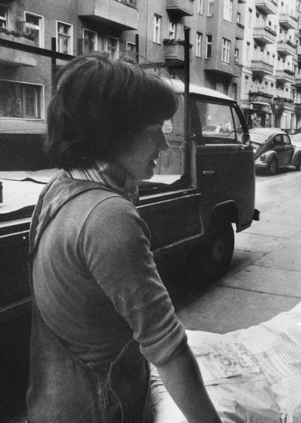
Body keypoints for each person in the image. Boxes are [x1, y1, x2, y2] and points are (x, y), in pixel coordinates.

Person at [26, 53, 221, 423]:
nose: (164, 145)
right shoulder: (108, 217)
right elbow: (168, 349)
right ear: (108, 134)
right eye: (153, 131)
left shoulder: (59, 189)